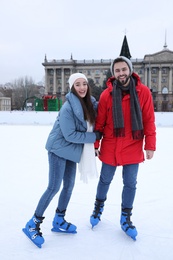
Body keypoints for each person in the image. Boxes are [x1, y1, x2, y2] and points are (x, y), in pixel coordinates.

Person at [22, 73, 102, 248]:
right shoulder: (68, 107)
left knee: (69, 186)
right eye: (78, 85)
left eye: (84, 84)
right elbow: (70, 134)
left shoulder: (89, 104)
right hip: (58, 149)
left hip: (71, 151)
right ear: (72, 87)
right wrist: (94, 137)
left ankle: (59, 219)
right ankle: (32, 223)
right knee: (53, 187)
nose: (82, 88)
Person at [90, 56, 156, 240]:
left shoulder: (143, 92)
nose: (121, 73)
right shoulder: (106, 95)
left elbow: (149, 121)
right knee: (104, 180)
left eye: (123, 69)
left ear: (130, 70)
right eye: (117, 70)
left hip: (133, 145)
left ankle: (126, 217)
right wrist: (96, 144)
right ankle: (98, 207)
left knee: (130, 183)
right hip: (111, 145)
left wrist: (150, 145)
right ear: (113, 73)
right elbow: (99, 123)